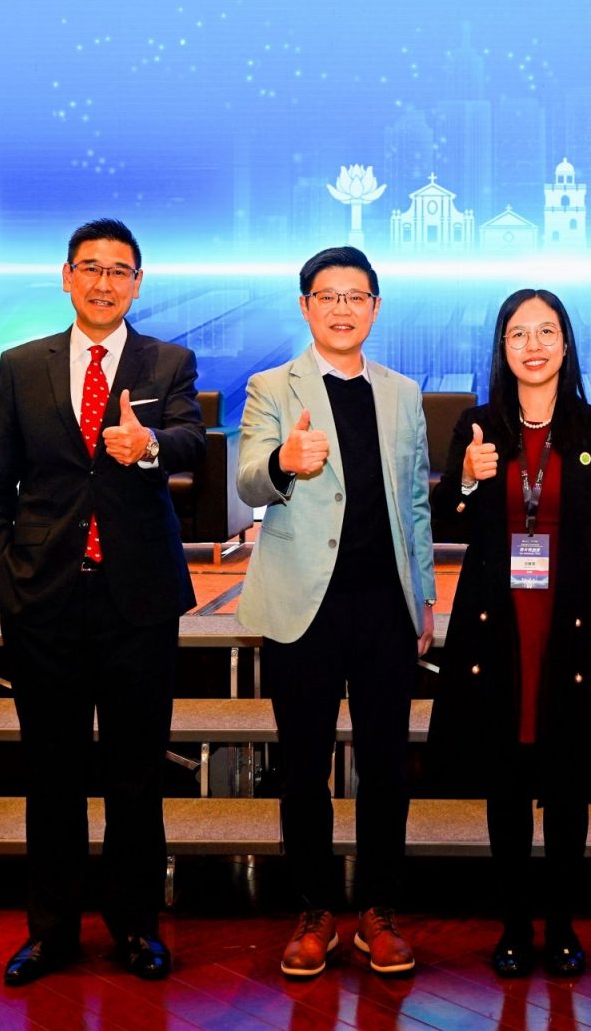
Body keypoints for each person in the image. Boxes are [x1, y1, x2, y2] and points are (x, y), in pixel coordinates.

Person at [0, 217, 204, 986]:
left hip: (139, 600)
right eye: (91, 268)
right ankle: (52, 934)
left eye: (119, 271)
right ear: (67, 276)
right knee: (53, 776)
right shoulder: (21, 366)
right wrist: (3, 579)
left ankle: (136, 928)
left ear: (138, 283)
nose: (105, 283)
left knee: (137, 777)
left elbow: (193, 440)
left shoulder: (167, 362)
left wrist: (150, 446)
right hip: (43, 601)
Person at [236, 246, 435, 980]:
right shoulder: (271, 387)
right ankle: (314, 909)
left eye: (356, 296)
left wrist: (423, 597)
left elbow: (415, 503)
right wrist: (284, 462)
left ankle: (379, 910)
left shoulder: (403, 393)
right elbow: (247, 481)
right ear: (305, 306)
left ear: (375, 307)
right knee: (303, 770)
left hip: (385, 607)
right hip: (303, 607)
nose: (342, 308)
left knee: (386, 768)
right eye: (328, 296)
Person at [427, 289, 591, 979]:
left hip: (573, 625)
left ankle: (564, 927)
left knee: (568, 782)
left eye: (547, 332)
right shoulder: (478, 425)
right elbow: (446, 520)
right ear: (502, 347)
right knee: (507, 782)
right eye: (519, 333)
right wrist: (464, 480)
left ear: (566, 344)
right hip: (497, 627)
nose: (534, 345)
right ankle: (515, 927)